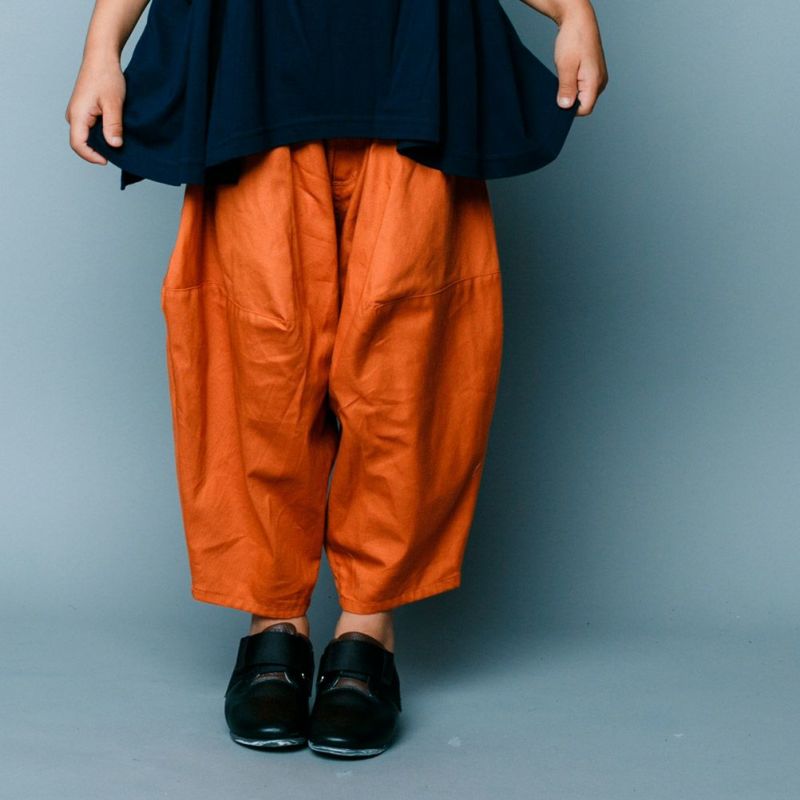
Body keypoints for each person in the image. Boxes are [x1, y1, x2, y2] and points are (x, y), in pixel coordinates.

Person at [66, 0, 608, 758]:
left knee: (408, 367)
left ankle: (368, 630)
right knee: (254, 362)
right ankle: (273, 621)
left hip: (416, 60)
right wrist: (102, 45)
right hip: (251, 64)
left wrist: (572, 11)